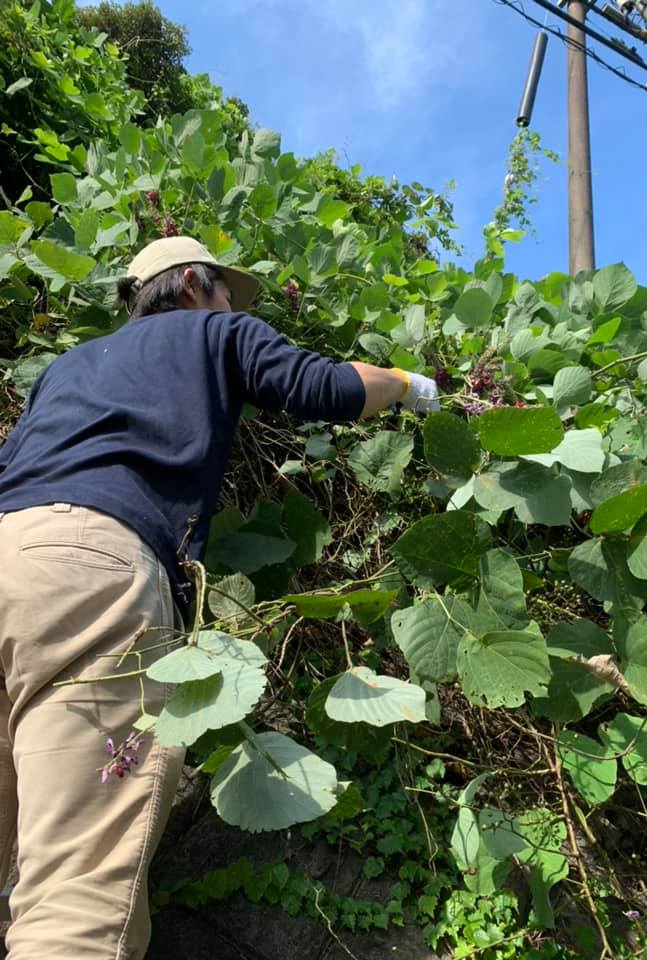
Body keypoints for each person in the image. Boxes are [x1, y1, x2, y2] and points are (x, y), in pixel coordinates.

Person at [0, 235, 439, 960]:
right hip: (91, 571)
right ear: (193, 284)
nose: (233, 304)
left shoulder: (67, 365)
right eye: (228, 291)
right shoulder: (215, 331)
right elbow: (332, 388)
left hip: (9, 544)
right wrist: (404, 382)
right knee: (77, 893)